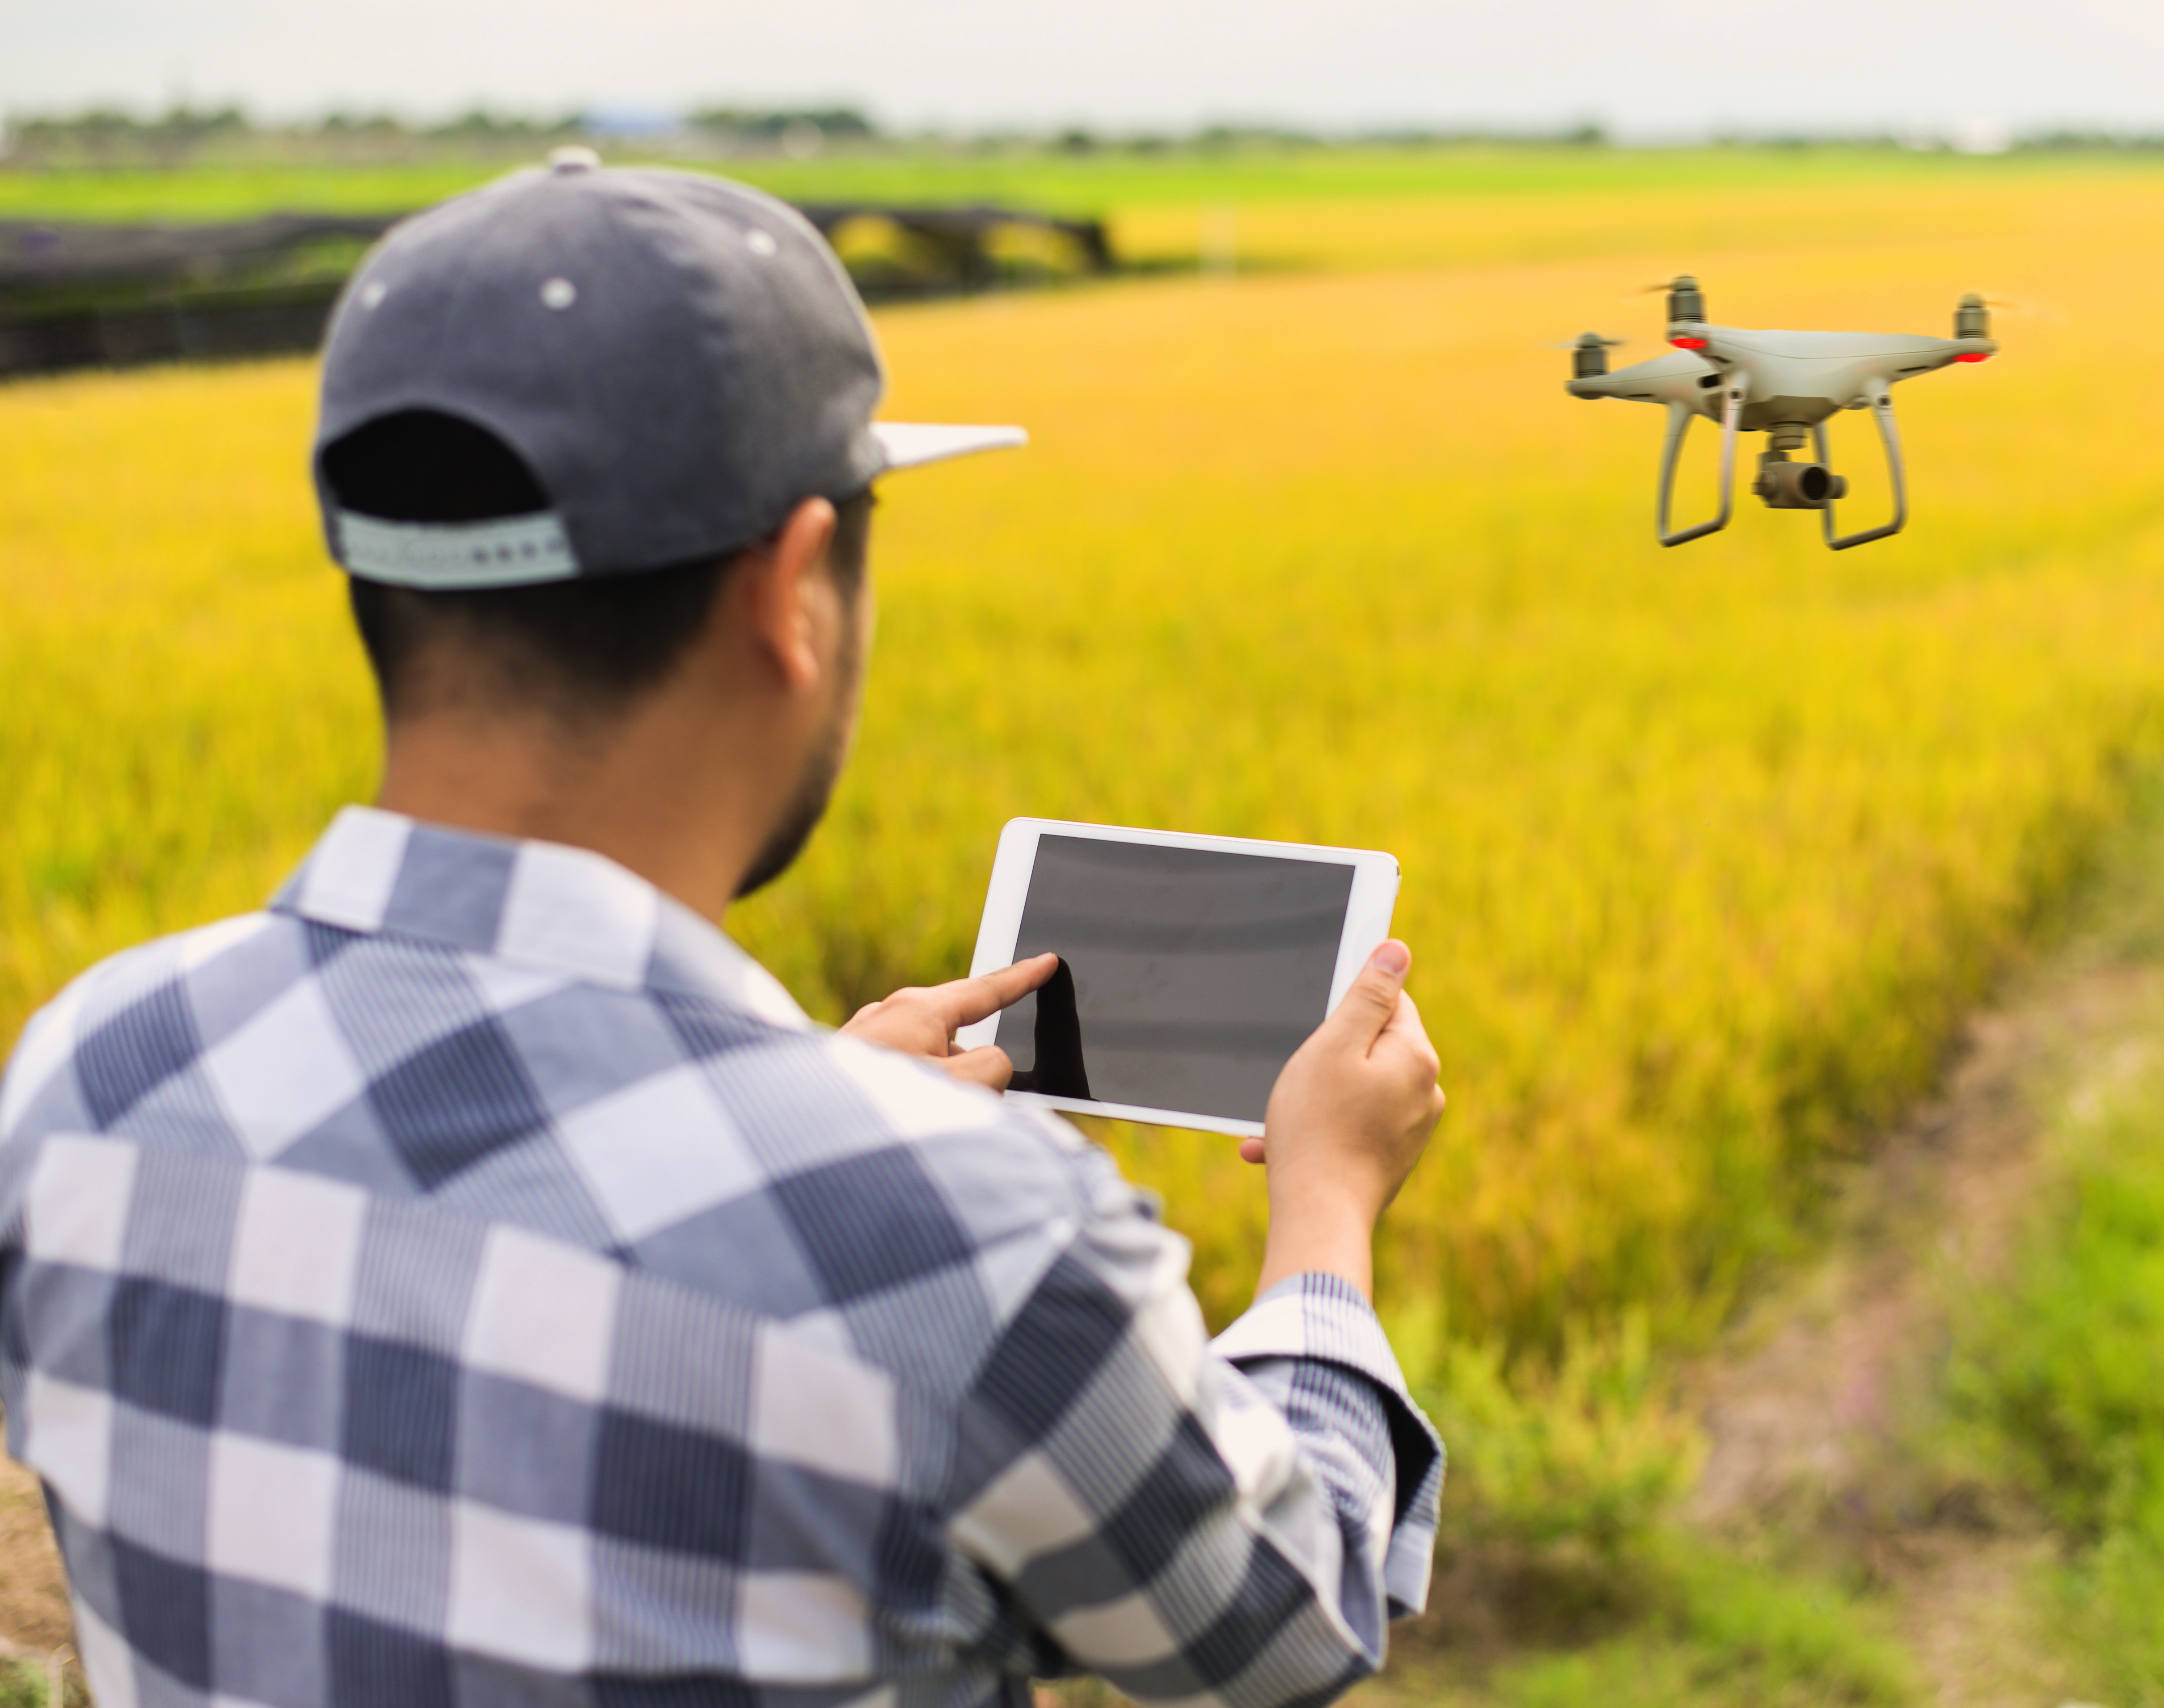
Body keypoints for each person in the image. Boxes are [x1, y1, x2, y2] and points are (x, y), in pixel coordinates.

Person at [0, 156, 1445, 1708]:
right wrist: (1326, 1208)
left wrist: (794, 1099)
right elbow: (1282, 1620)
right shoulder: (955, 1230)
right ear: (792, 594)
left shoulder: (92, 1068)